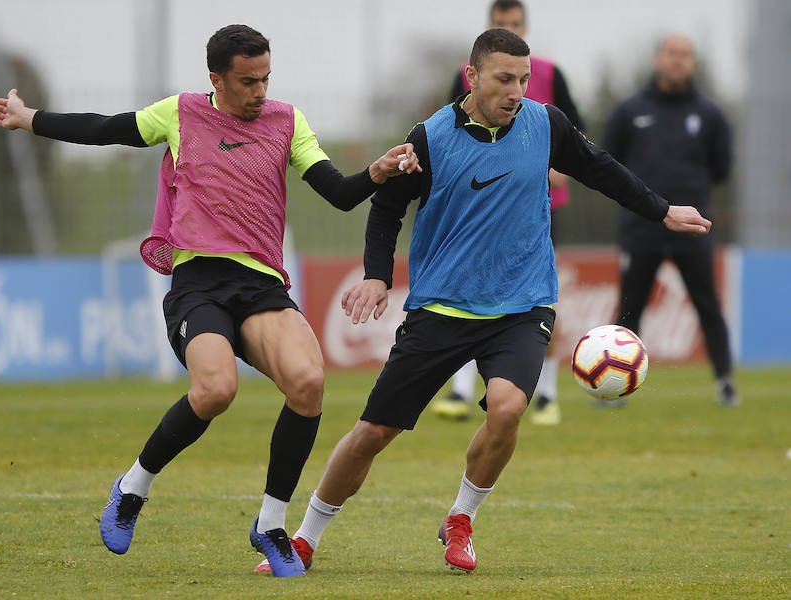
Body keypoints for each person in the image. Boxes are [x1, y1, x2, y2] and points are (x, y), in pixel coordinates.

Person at [254, 28, 711, 575]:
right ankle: (305, 538)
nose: (516, 90)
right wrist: (377, 275)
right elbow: (386, 207)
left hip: (523, 304)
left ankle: (462, 518)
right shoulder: (428, 137)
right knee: (374, 432)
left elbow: (602, 171)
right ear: (472, 76)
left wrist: (661, 210)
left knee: (509, 406)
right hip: (441, 308)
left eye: (522, 79)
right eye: (503, 79)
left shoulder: (547, 124)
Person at [0, 24, 419, 578]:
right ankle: (133, 487)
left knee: (309, 384)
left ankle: (269, 522)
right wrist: (31, 119)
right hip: (199, 283)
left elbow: (337, 193)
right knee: (216, 389)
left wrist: (376, 174)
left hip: (262, 285)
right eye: (246, 82)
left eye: (266, 78)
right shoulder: (180, 113)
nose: (259, 91)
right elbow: (106, 129)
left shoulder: (287, 121)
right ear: (216, 78)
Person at [435, 0, 584, 424]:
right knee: (468, 287)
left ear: (526, 28)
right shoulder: (466, 76)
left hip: (540, 206)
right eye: (500, 23)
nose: (507, 28)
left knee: (539, 295)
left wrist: (558, 167)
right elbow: (449, 131)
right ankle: (462, 390)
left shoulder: (550, 75)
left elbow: (576, 133)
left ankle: (547, 395)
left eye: (514, 24)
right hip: (481, 205)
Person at [603, 33, 739, 407]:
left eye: (685, 55)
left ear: (692, 63)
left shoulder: (709, 114)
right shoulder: (630, 111)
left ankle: (725, 381)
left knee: (707, 304)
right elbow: (607, 163)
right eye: (671, 53)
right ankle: (614, 388)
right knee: (631, 307)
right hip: (640, 228)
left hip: (693, 230)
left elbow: (722, 168)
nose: (678, 60)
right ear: (657, 59)